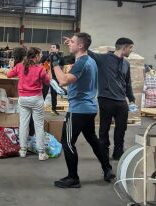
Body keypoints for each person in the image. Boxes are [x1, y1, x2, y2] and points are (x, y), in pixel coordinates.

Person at [52, 32, 115, 188]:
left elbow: (63, 80)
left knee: (67, 143)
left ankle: (73, 178)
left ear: (80, 46)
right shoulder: (90, 60)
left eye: (72, 42)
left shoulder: (82, 63)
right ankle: (107, 168)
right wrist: (74, 41)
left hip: (78, 109)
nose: (69, 44)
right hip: (89, 108)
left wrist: (54, 64)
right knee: (93, 140)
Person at [87, 38, 135, 161]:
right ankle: (103, 153)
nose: (131, 50)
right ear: (123, 48)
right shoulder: (103, 59)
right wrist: (76, 41)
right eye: (130, 48)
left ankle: (118, 153)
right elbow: (88, 52)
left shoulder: (126, 64)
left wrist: (132, 99)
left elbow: (127, 83)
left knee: (121, 129)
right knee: (104, 129)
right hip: (106, 100)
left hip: (121, 101)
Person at [7, 47, 50, 161]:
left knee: (23, 124)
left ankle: (23, 150)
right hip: (36, 98)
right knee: (39, 125)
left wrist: (12, 66)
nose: (40, 57)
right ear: (35, 56)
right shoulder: (40, 69)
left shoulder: (20, 66)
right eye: (40, 55)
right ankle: (41, 153)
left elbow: (9, 75)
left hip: (23, 99)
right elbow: (47, 81)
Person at [41, 44, 65, 115]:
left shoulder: (60, 58)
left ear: (57, 49)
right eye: (51, 47)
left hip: (55, 78)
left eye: (53, 47)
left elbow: (62, 67)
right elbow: (41, 63)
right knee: (43, 93)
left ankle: (53, 109)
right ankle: (40, 109)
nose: (51, 48)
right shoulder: (46, 56)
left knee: (54, 94)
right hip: (46, 77)